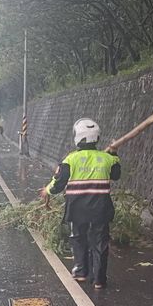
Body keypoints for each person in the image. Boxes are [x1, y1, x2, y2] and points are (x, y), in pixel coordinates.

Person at [39, 118, 120, 289]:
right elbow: (116, 175)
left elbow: (59, 182)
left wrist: (47, 190)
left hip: (77, 209)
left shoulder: (71, 159)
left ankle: (81, 272)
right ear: (97, 138)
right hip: (100, 208)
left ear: (78, 137)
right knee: (100, 242)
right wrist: (113, 153)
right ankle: (99, 279)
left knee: (78, 238)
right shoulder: (107, 158)